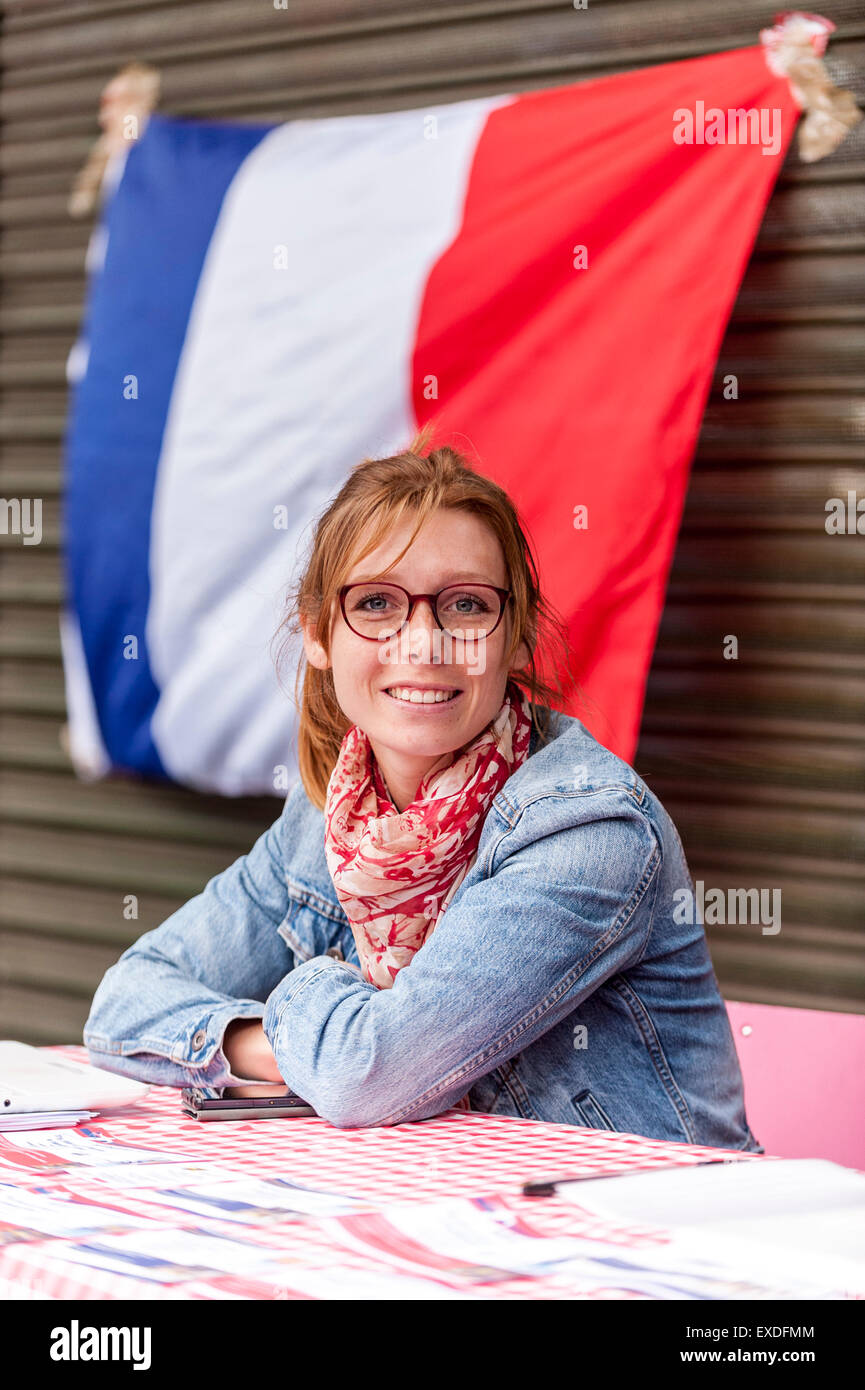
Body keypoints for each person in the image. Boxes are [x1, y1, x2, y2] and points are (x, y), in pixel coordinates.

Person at [83, 431, 762, 1150]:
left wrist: (302, 995)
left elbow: (365, 1077)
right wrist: (286, 1046)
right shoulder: (325, 821)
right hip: (446, 1221)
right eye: (376, 603)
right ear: (318, 633)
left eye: (465, 606)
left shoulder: (588, 831)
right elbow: (123, 1005)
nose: (423, 644)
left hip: (645, 1235)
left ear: (518, 637)